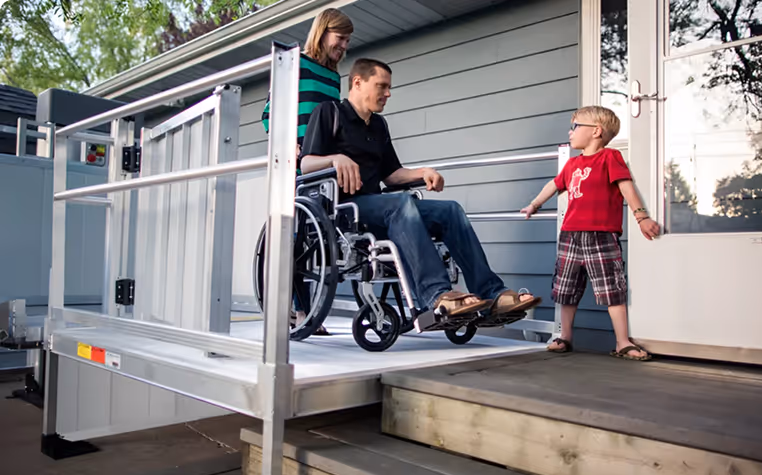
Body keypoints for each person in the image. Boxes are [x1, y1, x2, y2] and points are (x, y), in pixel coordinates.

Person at [300, 58, 540, 320]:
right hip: (345, 211)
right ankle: (436, 295)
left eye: (389, 87)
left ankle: (493, 293)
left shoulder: (379, 125)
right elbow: (307, 164)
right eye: (381, 86)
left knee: (450, 210)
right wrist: (335, 158)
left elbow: (391, 175)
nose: (388, 93)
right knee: (401, 203)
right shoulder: (329, 112)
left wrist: (423, 172)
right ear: (358, 82)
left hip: (382, 208)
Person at [520, 106, 660, 361]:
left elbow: (626, 186)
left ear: (596, 131)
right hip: (570, 235)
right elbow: (554, 184)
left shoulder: (610, 157)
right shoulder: (572, 164)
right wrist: (534, 204)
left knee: (612, 289)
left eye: (575, 126)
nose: (570, 132)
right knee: (566, 288)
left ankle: (622, 341)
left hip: (601, 235)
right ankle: (565, 336)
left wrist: (642, 217)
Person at [261, 8, 353, 335]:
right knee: (296, 237)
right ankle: (297, 312)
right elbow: (269, 113)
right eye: (340, 38)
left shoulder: (333, 77)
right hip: (294, 163)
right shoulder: (295, 63)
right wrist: (288, 145)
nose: (343, 45)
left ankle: (306, 310)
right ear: (323, 31)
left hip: (320, 166)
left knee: (316, 240)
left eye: (347, 40)